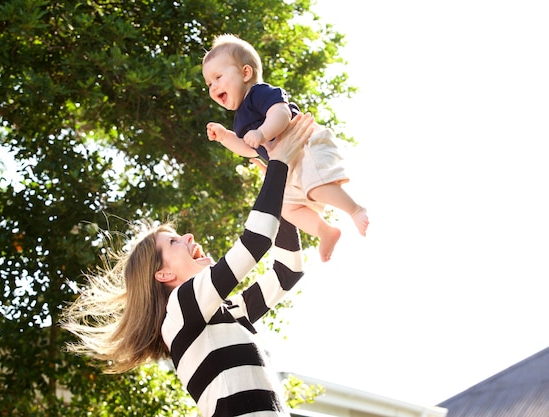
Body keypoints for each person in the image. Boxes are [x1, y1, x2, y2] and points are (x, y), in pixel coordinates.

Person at [61, 113, 315, 417]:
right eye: (173, 242)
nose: (188, 236)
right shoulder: (180, 310)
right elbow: (255, 242)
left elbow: (287, 273)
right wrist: (279, 165)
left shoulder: (230, 312)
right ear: (163, 273)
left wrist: (282, 195)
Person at [202, 34, 369, 262]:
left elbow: (280, 114)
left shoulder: (258, 93)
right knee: (288, 208)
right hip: (288, 163)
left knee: (316, 188)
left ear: (245, 73)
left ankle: (355, 209)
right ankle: (325, 231)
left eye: (218, 77)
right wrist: (225, 137)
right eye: (209, 84)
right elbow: (249, 148)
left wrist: (262, 133)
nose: (213, 87)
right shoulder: (240, 120)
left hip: (304, 144)